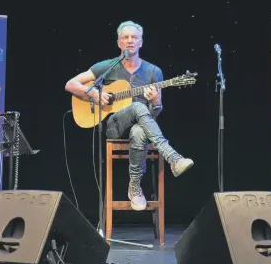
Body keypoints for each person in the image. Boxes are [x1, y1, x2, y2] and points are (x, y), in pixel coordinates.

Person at [65, 20, 194, 211]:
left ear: (141, 42)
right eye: (125, 37)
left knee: (140, 128)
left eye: (134, 37)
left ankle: (134, 187)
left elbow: (155, 113)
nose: (130, 41)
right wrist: (94, 94)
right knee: (137, 107)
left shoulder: (153, 72)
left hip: (142, 127)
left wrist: (156, 102)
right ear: (119, 43)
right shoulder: (106, 67)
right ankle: (173, 158)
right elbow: (70, 84)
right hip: (114, 127)